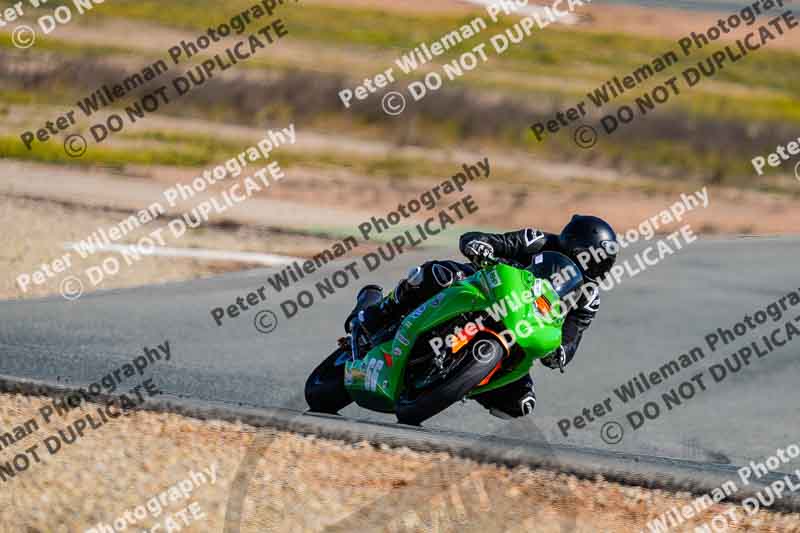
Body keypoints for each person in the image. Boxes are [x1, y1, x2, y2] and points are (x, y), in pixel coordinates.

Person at [346, 215, 618, 419]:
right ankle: (380, 311)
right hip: (482, 289)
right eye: (593, 257)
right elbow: (491, 240)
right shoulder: (537, 242)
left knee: (520, 403)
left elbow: (573, 335)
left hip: (520, 330)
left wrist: (560, 353)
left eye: (603, 260)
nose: (597, 265)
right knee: (436, 275)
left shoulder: (588, 296)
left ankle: (459, 379)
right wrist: (480, 245)